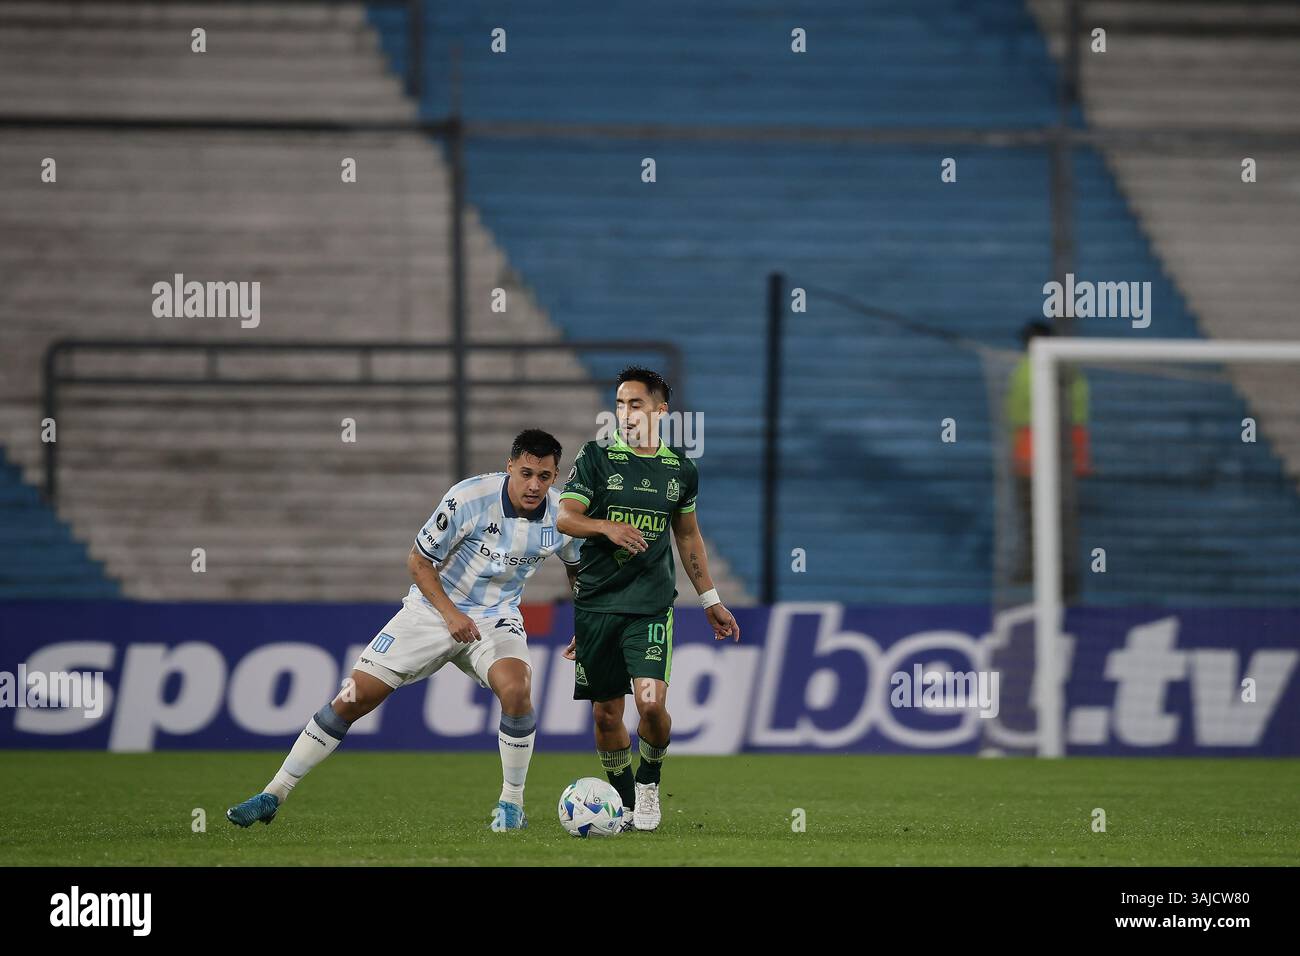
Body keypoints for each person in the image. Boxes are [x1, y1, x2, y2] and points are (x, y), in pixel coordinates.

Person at [226, 429, 582, 831]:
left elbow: (577, 567)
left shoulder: (562, 515)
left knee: (517, 691)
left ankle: (511, 805)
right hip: (432, 611)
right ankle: (274, 792)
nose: (534, 485)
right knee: (352, 697)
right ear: (509, 467)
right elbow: (418, 561)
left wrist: (583, 623)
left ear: (556, 476)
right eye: (526, 473)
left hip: (495, 617)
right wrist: (450, 615)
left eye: (545, 476)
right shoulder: (469, 497)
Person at [556, 366, 740, 832]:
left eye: (635, 404)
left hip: (651, 604)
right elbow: (565, 517)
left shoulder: (681, 469)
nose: (625, 412)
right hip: (596, 604)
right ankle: (621, 800)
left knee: (652, 703)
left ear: (660, 410)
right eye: (619, 404)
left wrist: (710, 599)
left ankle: (649, 783)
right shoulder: (595, 458)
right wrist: (606, 527)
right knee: (605, 714)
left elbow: (689, 538)